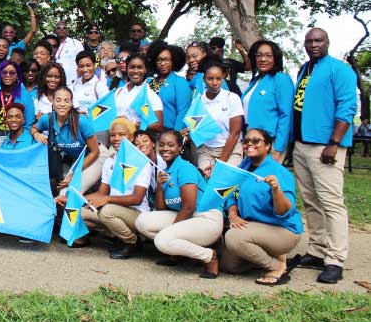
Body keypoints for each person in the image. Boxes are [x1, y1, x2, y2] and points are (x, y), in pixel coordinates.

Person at [287, 27, 356, 284]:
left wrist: (334, 142)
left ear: (327, 42)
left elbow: (347, 107)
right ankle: (317, 250)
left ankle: (335, 259)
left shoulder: (340, 70)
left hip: (325, 146)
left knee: (332, 203)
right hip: (303, 145)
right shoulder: (305, 69)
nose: (314, 44)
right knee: (311, 200)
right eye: (309, 41)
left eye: (319, 40)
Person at [134, 129, 222, 278]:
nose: (165, 148)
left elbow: (189, 207)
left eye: (171, 145)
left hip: (206, 219)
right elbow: (161, 209)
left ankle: (208, 256)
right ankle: (179, 253)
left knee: (162, 240)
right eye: (161, 145)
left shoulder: (185, 168)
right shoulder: (167, 170)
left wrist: (170, 230)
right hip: (188, 218)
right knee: (142, 222)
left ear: (180, 147)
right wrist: (161, 188)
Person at [222, 129, 303, 285]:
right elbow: (230, 194)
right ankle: (271, 256)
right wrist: (233, 214)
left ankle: (277, 266)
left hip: (282, 230)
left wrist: (276, 190)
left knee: (233, 237)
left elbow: (285, 212)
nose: (249, 144)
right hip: (253, 227)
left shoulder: (279, 171)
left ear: (267, 146)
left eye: (256, 141)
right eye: (246, 141)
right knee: (230, 265)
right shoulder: (243, 167)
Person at [82, 117, 152, 259]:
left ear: (131, 137)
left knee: (106, 211)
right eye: (113, 135)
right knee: (78, 212)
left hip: (137, 213)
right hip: (114, 208)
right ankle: (117, 235)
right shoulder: (110, 161)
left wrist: (107, 200)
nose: (116, 138)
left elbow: (137, 199)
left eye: (122, 135)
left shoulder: (142, 161)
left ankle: (132, 241)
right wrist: (74, 198)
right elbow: (101, 192)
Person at [31, 86, 102, 197]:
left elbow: (95, 152)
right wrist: (36, 134)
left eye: (66, 100)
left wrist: (74, 173)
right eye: (58, 100)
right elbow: (34, 128)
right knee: (58, 186)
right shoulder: (47, 119)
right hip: (74, 159)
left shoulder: (81, 121)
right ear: (52, 102)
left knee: (65, 193)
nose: (62, 104)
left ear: (71, 103)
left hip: (95, 156)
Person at [184, 58, 243, 171]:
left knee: (225, 183)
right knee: (206, 182)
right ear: (204, 79)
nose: (215, 83)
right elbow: (196, 127)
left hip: (231, 149)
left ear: (223, 78)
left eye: (219, 79)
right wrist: (186, 133)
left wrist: (220, 163)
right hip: (206, 151)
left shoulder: (232, 98)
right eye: (210, 78)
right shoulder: (198, 101)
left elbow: (235, 133)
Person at [242, 40, 294, 163]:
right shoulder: (255, 81)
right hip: (251, 140)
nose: (263, 59)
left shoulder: (281, 79)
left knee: (266, 180)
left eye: (268, 55)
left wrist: (278, 148)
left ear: (275, 58)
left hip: (270, 143)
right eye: (259, 55)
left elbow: (286, 115)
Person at [0, 60, 36, 146]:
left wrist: (21, 142)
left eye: (12, 73)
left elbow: (29, 123)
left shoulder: (25, 95)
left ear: (17, 76)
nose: (8, 75)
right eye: (4, 72)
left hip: (15, 143)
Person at [113, 53, 164, 132]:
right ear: (127, 69)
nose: (135, 71)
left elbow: (158, 125)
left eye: (140, 67)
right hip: (117, 139)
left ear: (145, 70)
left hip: (137, 140)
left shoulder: (150, 95)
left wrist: (130, 124)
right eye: (132, 67)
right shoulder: (118, 92)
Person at [146, 41, 191, 131]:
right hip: (147, 131)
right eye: (159, 60)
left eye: (166, 60)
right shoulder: (148, 82)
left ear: (173, 61)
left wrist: (175, 134)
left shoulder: (180, 83)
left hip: (169, 132)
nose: (162, 64)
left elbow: (183, 112)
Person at [53, 20, 83, 86]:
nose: (61, 29)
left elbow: (83, 60)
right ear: (55, 31)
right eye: (59, 28)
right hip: (54, 82)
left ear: (67, 31)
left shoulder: (75, 43)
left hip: (72, 83)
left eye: (64, 28)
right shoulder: (51, 43)